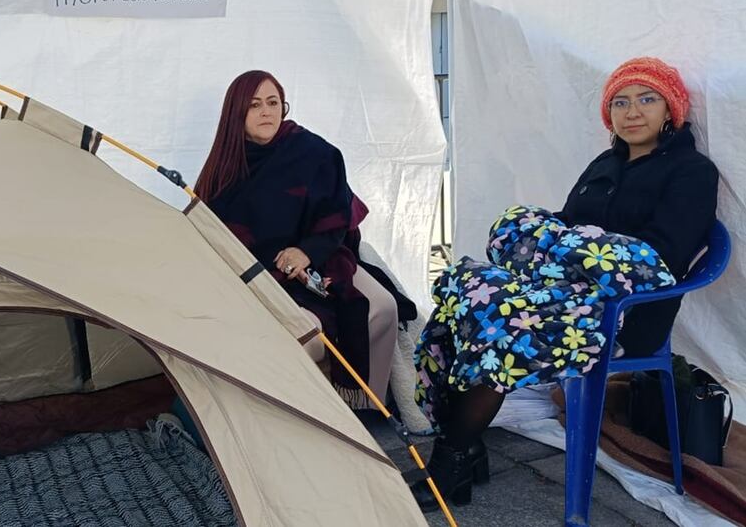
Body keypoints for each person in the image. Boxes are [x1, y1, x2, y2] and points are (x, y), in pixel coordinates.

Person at [410, 56, 719, 511]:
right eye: (620, 102)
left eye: (647, 99)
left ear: (670, 108)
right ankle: (465, 445)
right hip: (563, 294)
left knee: (501, 323)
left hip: (624, 313)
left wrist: (566, 246)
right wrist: (545, 233)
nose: (632, 112)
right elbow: (568, 224)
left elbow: (662, 257)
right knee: (469, 289)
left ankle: (450, 461)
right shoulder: (604, 163)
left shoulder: (691, 171)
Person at [195, 70, 415, 409]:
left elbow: (336, 217)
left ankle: (366, 405)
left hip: (324, 255)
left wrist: (306, 252)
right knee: (304, 334)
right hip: (258, 275)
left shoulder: (313, 153)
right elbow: (212, 235)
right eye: (254, 105)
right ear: (236, 113)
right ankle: (310, 412)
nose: (266, 112)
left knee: (384, 307)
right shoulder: (223, 170)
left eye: (273, 103)